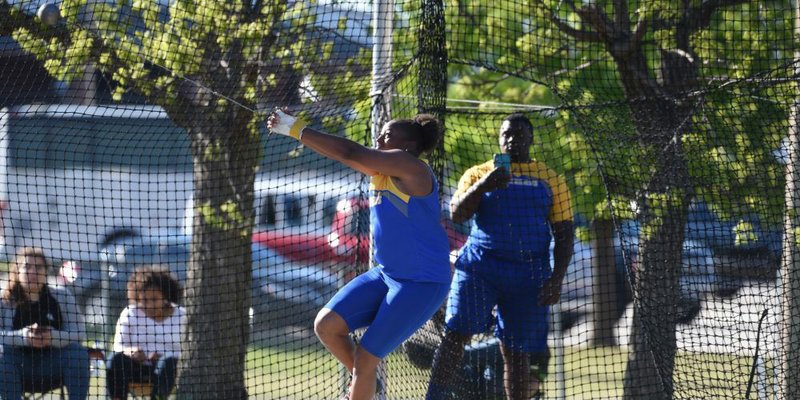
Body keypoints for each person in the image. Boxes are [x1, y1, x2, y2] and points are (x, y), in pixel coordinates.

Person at [268, 109, 451, 400]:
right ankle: (366, 386)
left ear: (408, 146)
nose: (378, 138)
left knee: (366, 359)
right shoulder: (383, 171)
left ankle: (363, 385)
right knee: (327, 326)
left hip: (421, 283)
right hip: (387, 274)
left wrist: (296, 128)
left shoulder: (410, 166)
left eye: (387, 135)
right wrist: (295, 132)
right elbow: (343, 155)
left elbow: (350, 150)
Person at [426, 113, 574, 400]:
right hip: (480, 269)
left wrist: (557, 278)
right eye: (506, 134)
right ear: (499, 138)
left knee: (517, 351)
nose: (512, 140)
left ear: (531, 139)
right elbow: (457, 215)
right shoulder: (478, 172)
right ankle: (434, 397)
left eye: (519, 134)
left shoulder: (550, 178)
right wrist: (485, 185)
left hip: (529, 275)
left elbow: (565, 233)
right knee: (456, 334)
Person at [0, 247, 90, 400]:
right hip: (16, 368)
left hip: (52, 366)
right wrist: (24, 337)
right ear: (17, 271)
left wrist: (52, 337)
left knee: (78, 353)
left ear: (46, 271)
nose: (33, 272)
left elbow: (79, 333)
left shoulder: (62, 296)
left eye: (38, 267)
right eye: (27, 266)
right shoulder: (4, 299)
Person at [107, 265, 185, 400]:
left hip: (170, 372)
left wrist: (163, 356)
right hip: (137, 369)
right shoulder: (130, 313)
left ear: (166, 296)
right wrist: (131, 352)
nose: (149, 305)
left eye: (154, 299)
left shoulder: (182, 316)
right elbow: (118, 347)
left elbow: (188, 351)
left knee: (169, 363)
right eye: (144, 300)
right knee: (115, 360)